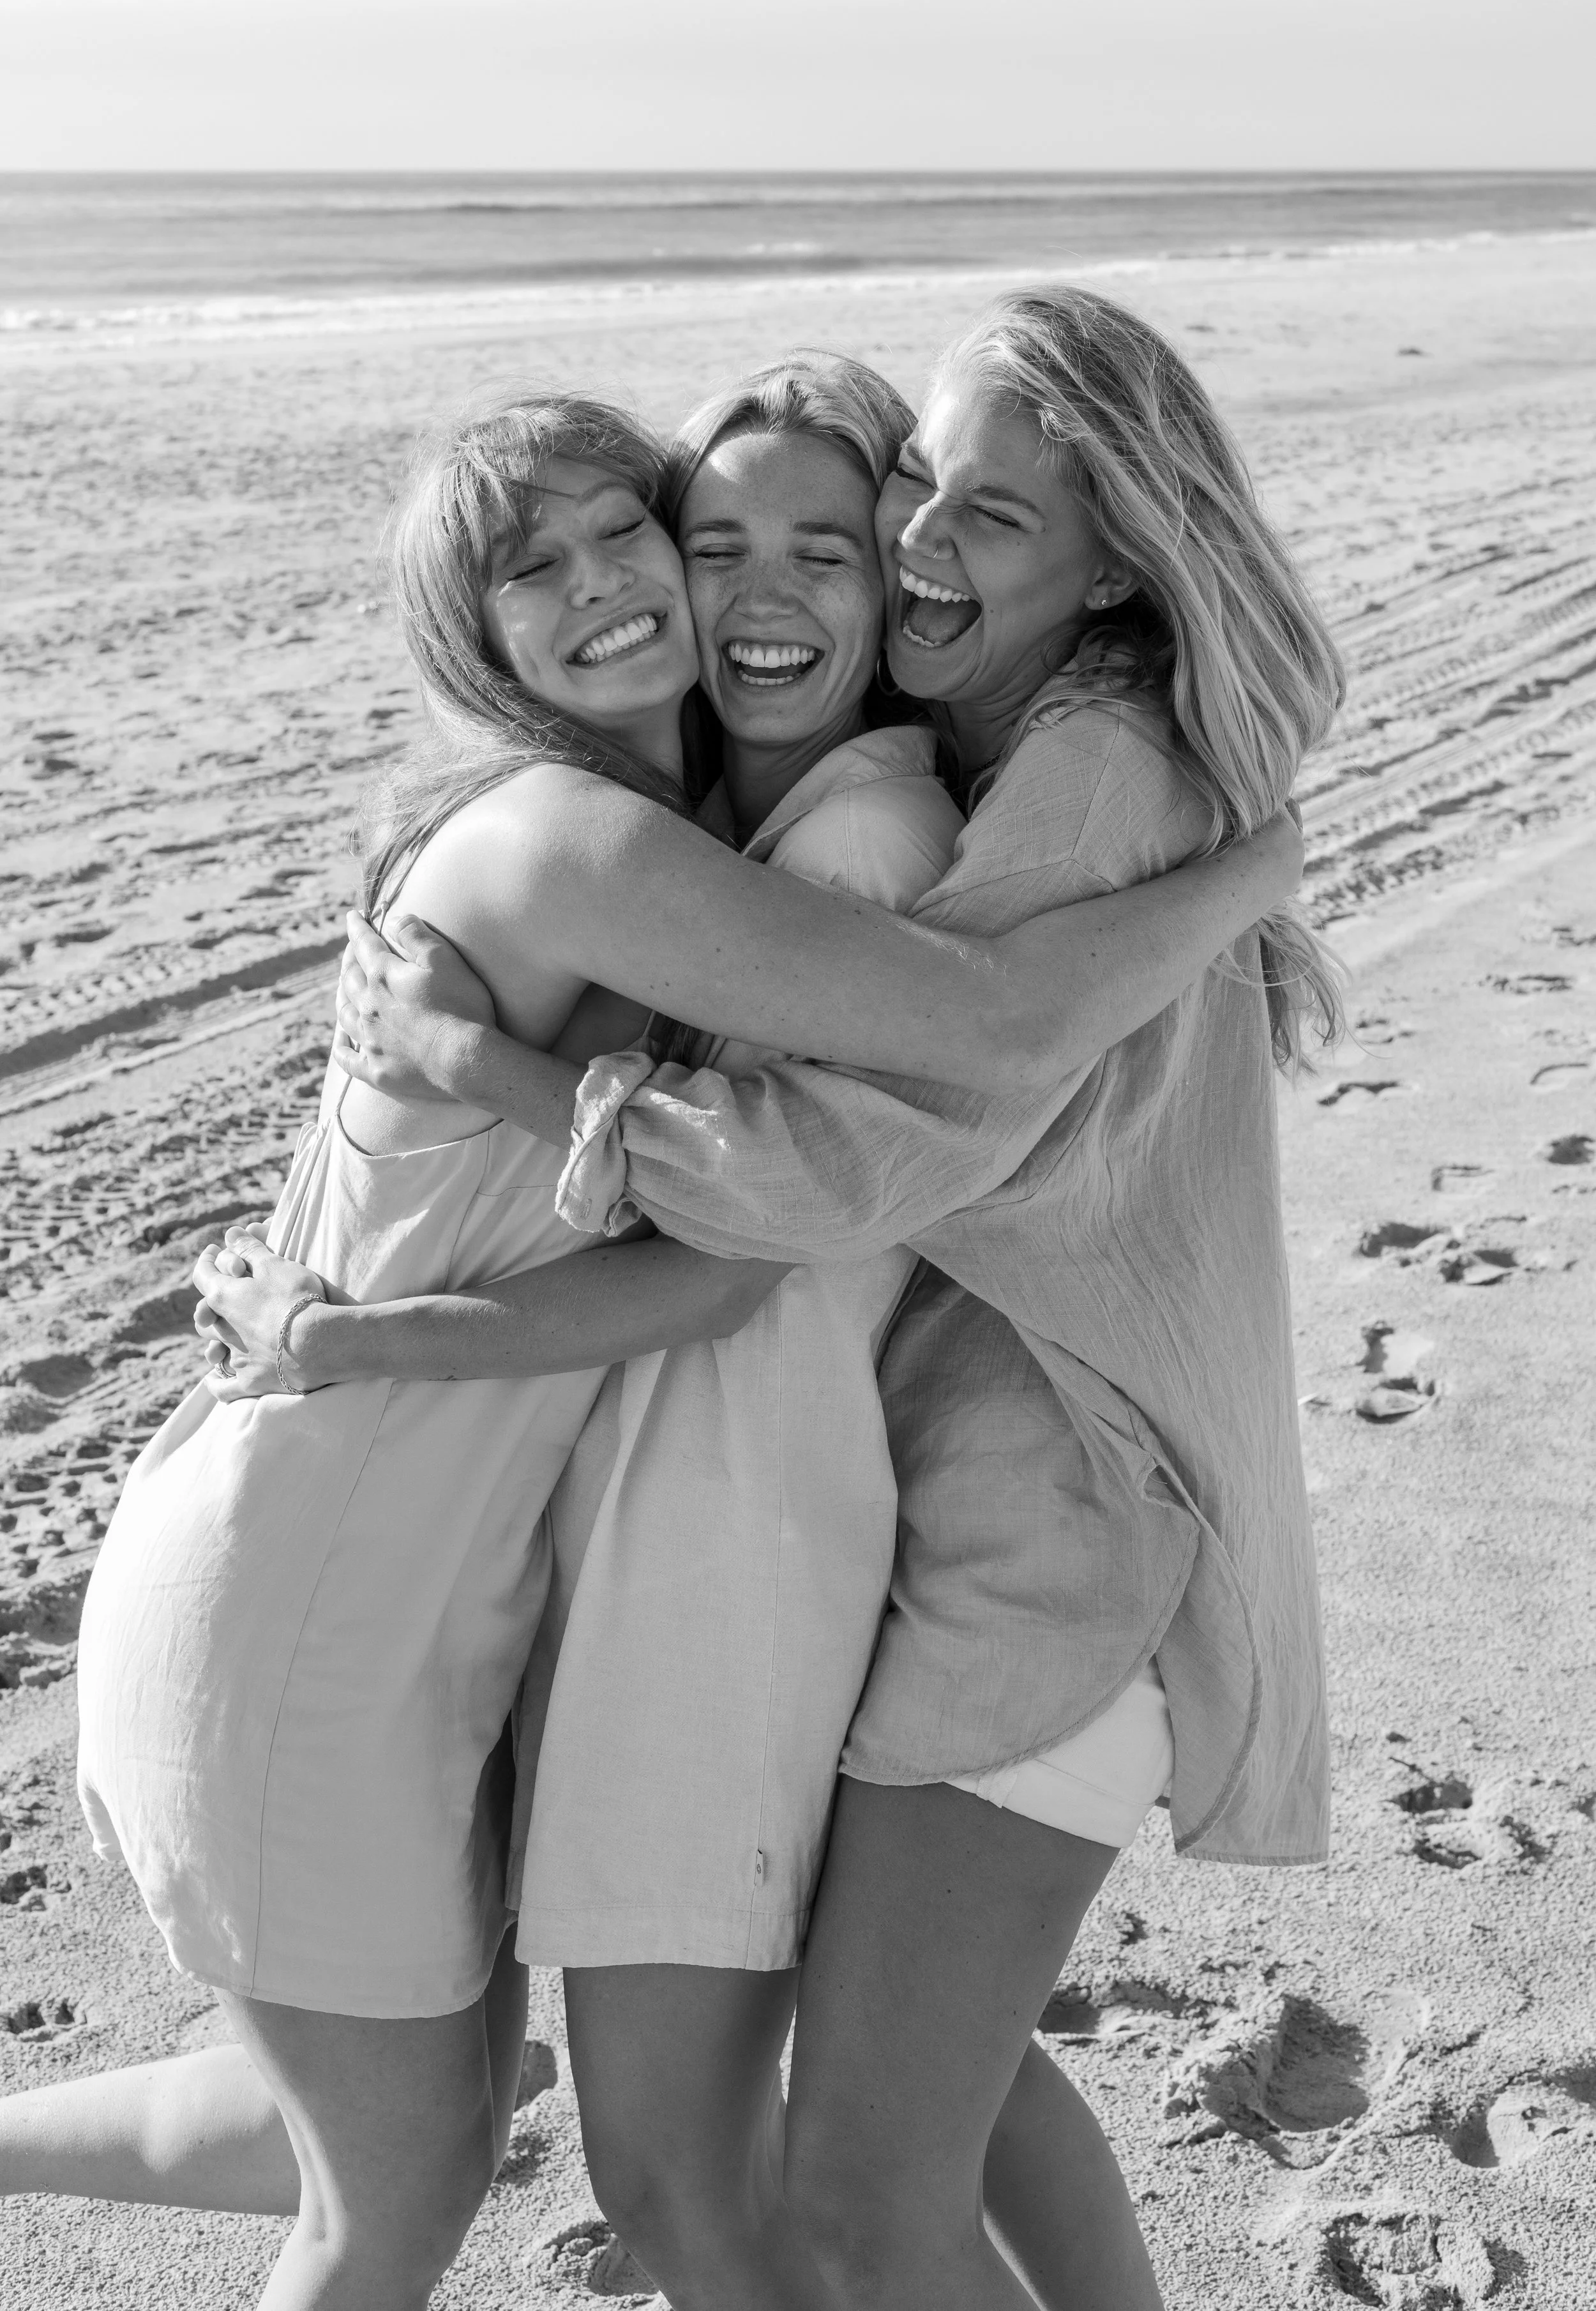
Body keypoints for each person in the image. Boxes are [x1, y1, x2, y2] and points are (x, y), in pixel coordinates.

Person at [1, 361, 1299, 2310]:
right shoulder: (600, 842)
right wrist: (1246, 874)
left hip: (472, 1559)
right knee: (415, 2162)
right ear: (477, 633)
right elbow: (934, 1072)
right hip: (334, 1576)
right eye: (656, 546)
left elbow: (866, 1133)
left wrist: (1239, 873)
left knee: (417, 2122)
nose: (636, 583)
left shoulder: (778, 836)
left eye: (646, 532)